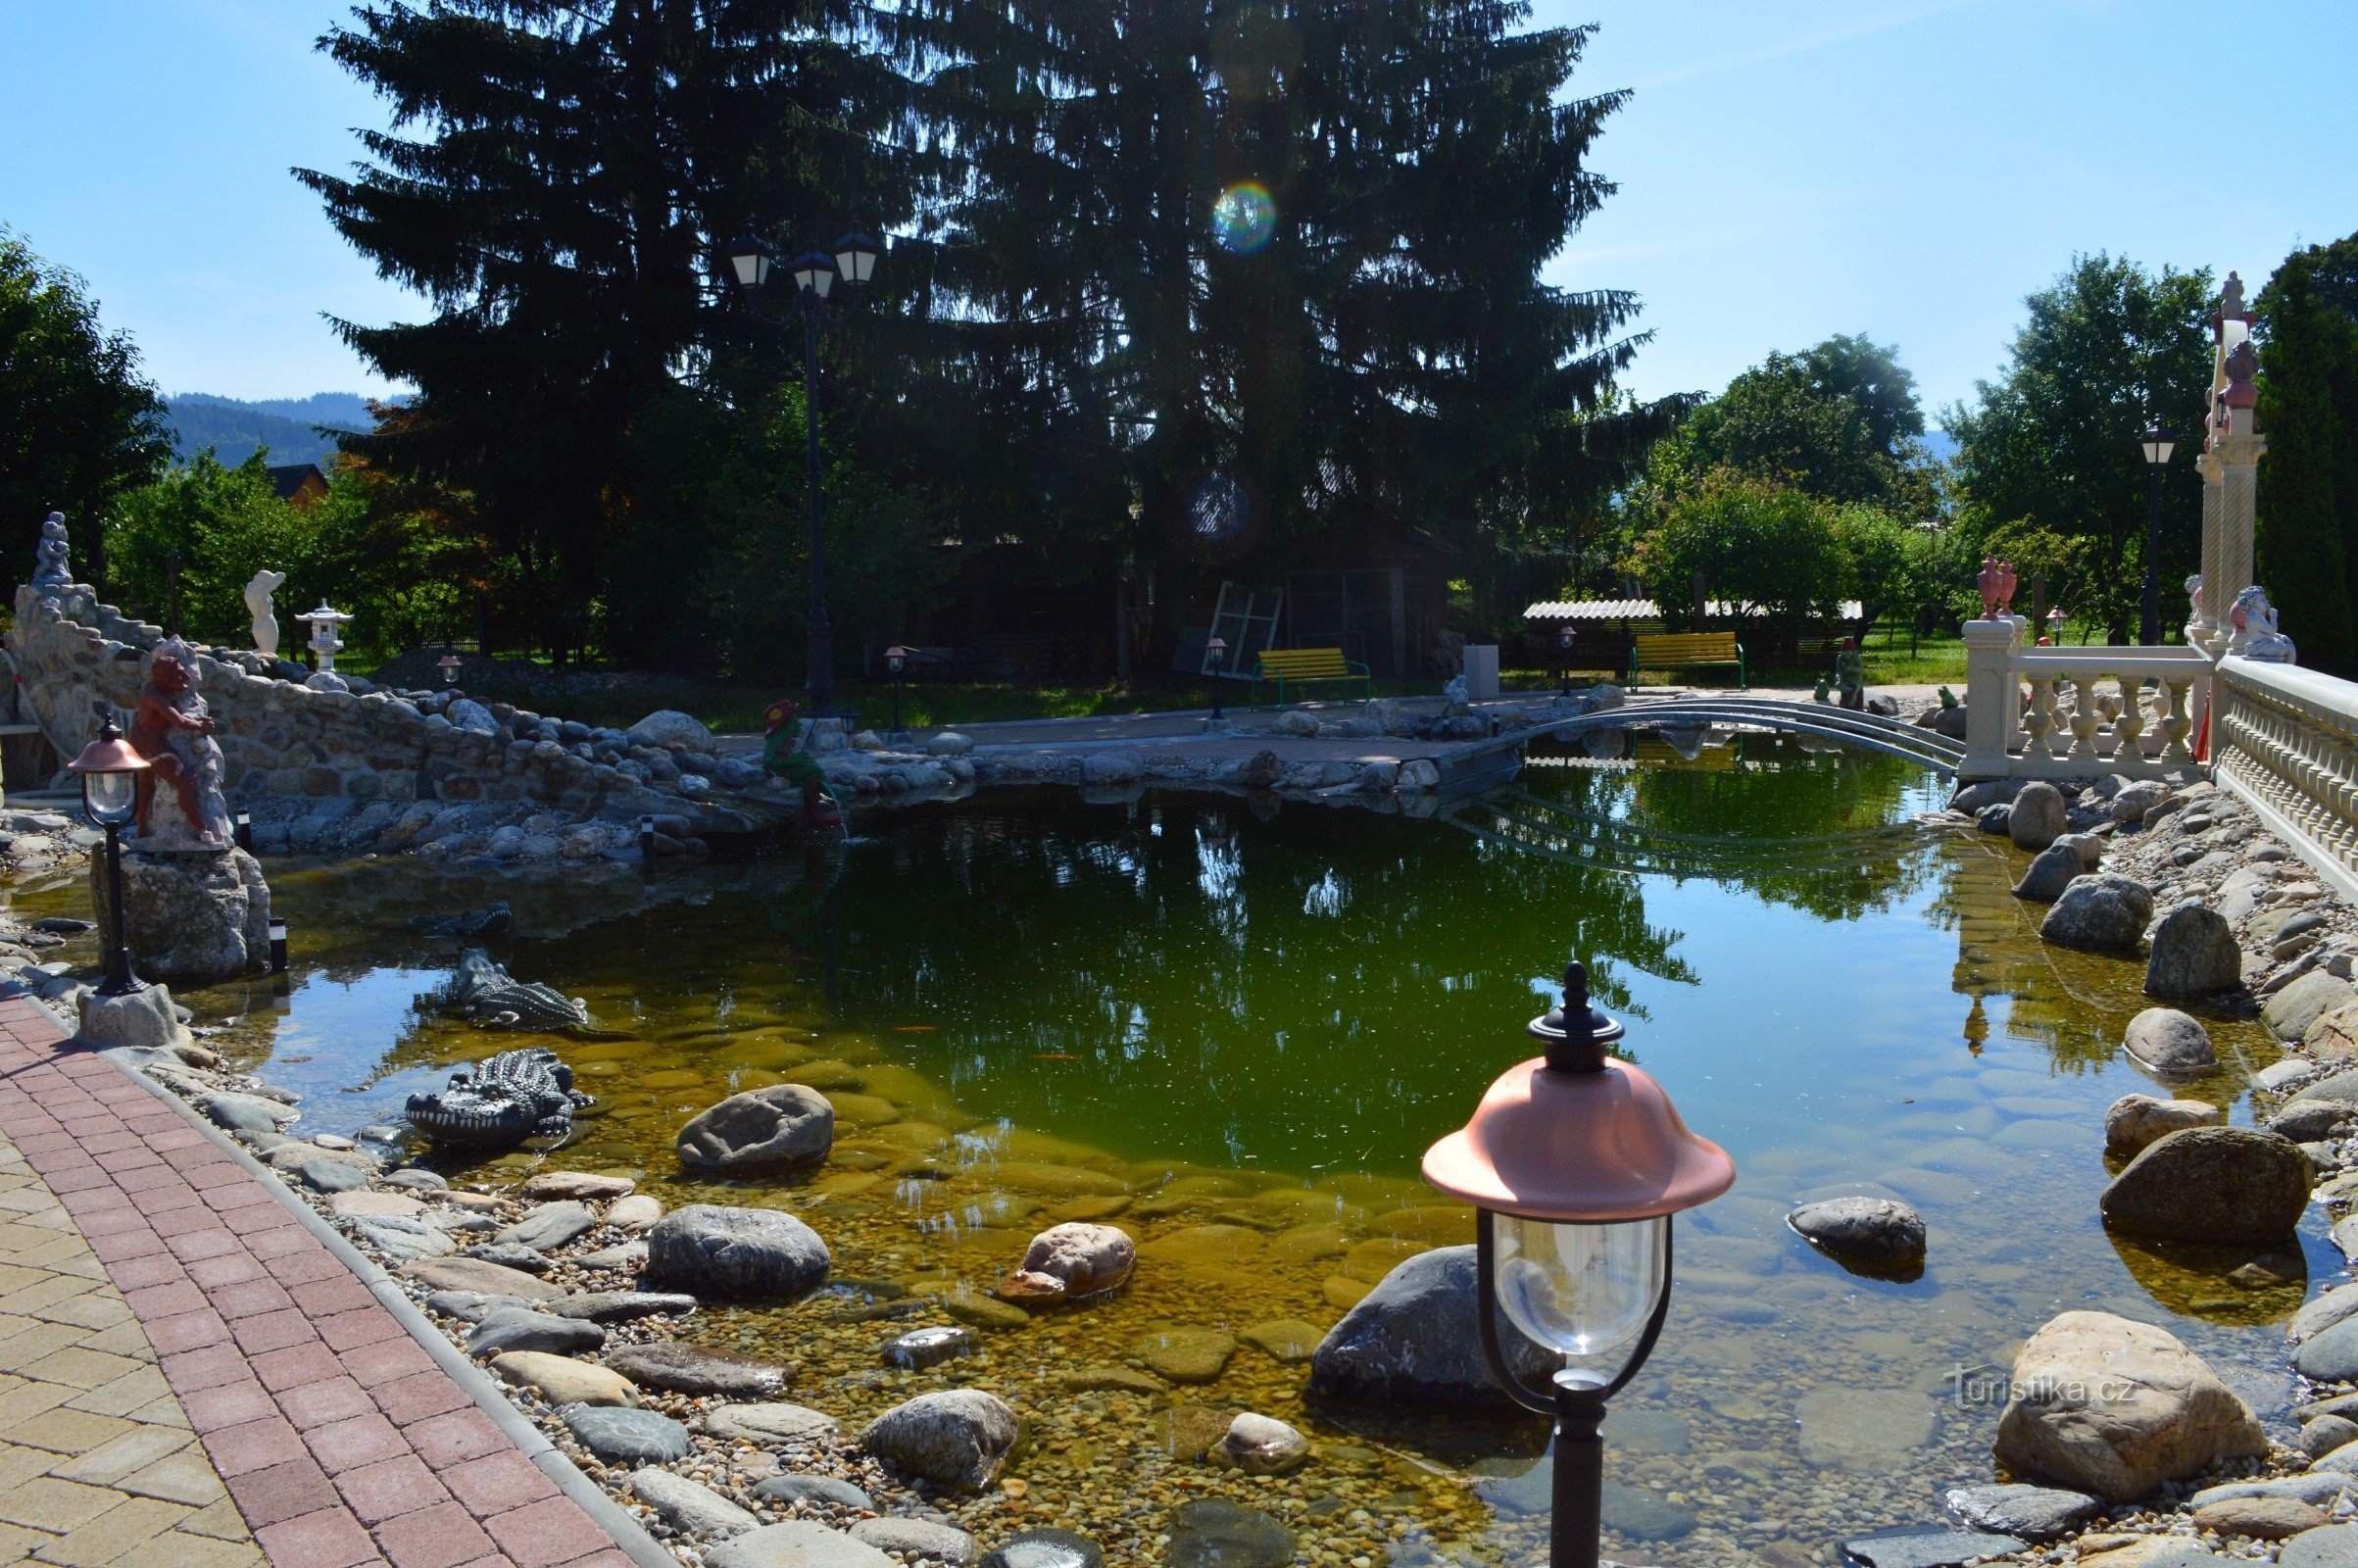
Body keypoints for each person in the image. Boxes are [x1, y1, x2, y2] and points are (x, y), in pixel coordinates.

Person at [762, 699, 841, 828]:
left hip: (790, 769)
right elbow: (768, 762)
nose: (798, 724)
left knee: (812, 768)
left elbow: (791, 753)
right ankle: (815, 814)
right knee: (811, 773)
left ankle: (818, 811)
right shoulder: (774, 741)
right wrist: (791, 760)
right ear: (785, 724)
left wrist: (799, 757)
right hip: (783, 773)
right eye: (793, 721)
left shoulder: (787, 739)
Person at [1834, 637, 1866, 710]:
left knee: (1856, 688)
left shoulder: (1857, 658)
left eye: (1848, 652)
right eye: (1843, 652)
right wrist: (1839, 678)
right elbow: (1838, 671)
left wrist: (1851, 669)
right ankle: (1850, 691)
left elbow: (1861, 670)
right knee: (1838, 684)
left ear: (1852, 651)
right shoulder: (1840, 658)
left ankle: (1852, 705)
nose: (1845, 654)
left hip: (1855, 679)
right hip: (1845, 679)